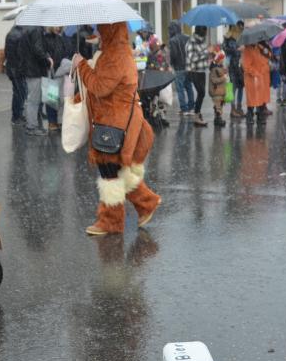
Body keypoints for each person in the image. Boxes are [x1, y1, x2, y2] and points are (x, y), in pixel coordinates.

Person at [71, 21, 160, 235]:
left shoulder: (116, 55)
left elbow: (101, 87)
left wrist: (82, 66)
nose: (98, 33)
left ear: (110, 30)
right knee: (116, 170)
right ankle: (146, 203)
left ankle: (111, 221)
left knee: (109, 172)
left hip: (114, 122)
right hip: (114, 120)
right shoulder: (114, 51)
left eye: (102, 29)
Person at [23, 25, 52, 136]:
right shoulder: (36, 30)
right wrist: (47, 59)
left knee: (33, 99)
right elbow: (38, 50)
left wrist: (46, 55)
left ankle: (31, 124)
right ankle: (31, 127)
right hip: (34, 70)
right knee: (33, 100)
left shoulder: (32, 29)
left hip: (32, 69)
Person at [42, 26, 71, 132]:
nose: (58, 27)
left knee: (61, 98)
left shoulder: (62, 37)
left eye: (59, 25)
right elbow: (44, 53)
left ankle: (59, 120)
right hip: (51, 71)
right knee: (51, 98)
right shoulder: (45, 38)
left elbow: (67, 51)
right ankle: (52, 122)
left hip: (62, 71)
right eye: (55, 25)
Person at [3, 25, 30, 125]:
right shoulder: (20, 35)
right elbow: (21, 54)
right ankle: (16, 116)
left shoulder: (12, 32)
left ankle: (18, 115)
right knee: (20, 93)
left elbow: (8, 53)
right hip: (17, 69)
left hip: (13, 67)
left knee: (18, 92)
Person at [242, 40, 272, 126]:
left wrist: (266, 50)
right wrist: (256, 74)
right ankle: (250, 115)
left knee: (262, 97)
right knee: (253, 98)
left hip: (263, 77)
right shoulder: (247, 49)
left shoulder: (260, 47)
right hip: (253, 78)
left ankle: (260, 115)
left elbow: (268, 56)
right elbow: (246, 66)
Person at [167, 22, 193, 116]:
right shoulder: (187, 37)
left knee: (180, 88)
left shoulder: (172, 40)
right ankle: (191, 107)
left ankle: (184, 108)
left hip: (178, 67)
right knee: (189, 86)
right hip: (188, 66)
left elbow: (173, 54)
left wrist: (171, 64)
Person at [185, 26, 209, 127]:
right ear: (200, 31)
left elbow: (203, 55)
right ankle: (197, 115)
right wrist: (206, 53)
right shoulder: (191, 42)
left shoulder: (202, 41)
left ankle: (197, 114)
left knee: (202, 93)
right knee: (201, 92)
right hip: (194, 71)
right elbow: (192, 58)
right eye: (205, 30)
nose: (206, 33)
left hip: (202, 70)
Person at [223, 22, 245, 119]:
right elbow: (228, 50)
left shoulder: (240, 37)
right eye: (240, 26)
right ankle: (233, 109)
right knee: (233, 88)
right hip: (233, 66)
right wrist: (238, 49)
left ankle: (238, 108)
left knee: (240, 87)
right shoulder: (229, 38)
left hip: (240, 66)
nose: (241, 28)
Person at [208, 50, 228, 127]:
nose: (223, 60)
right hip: (216, 91)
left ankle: (217, 119)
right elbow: (214, 80)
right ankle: (218, 119)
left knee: (220, 105)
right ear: (219, 60)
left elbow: (223, 73)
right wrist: (223, 78)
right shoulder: (214, 69)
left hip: (221, 91)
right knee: (218, 107)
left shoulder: (221, 67)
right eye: (222, 59)